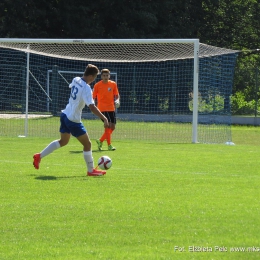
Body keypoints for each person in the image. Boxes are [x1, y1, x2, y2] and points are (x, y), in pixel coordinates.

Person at [33, 64, 109, 176]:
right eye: (94, 77)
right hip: (73, 119)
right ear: (91, 76)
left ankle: (39, 156)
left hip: (65, 114)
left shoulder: (76, 79)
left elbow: (73, 88)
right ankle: (91, 170)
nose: (93, 80)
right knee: (87, 144)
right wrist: (104, 118)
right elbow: (92, 107)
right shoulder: (86, 88)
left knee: (63, 141)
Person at [93, 68, 120, 151]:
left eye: (107, 75)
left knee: (113, 127)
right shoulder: (97, 85)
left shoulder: (113, 84)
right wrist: (93, 106)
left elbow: (116, 94)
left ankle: (100, 140)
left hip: (111, 108)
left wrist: (117, 100)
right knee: (107, 126)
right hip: (102, 108)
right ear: (101, 76)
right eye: (104, 75)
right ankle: (109, 145)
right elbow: (93, 96)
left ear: (109, 76)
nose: (105, 77)